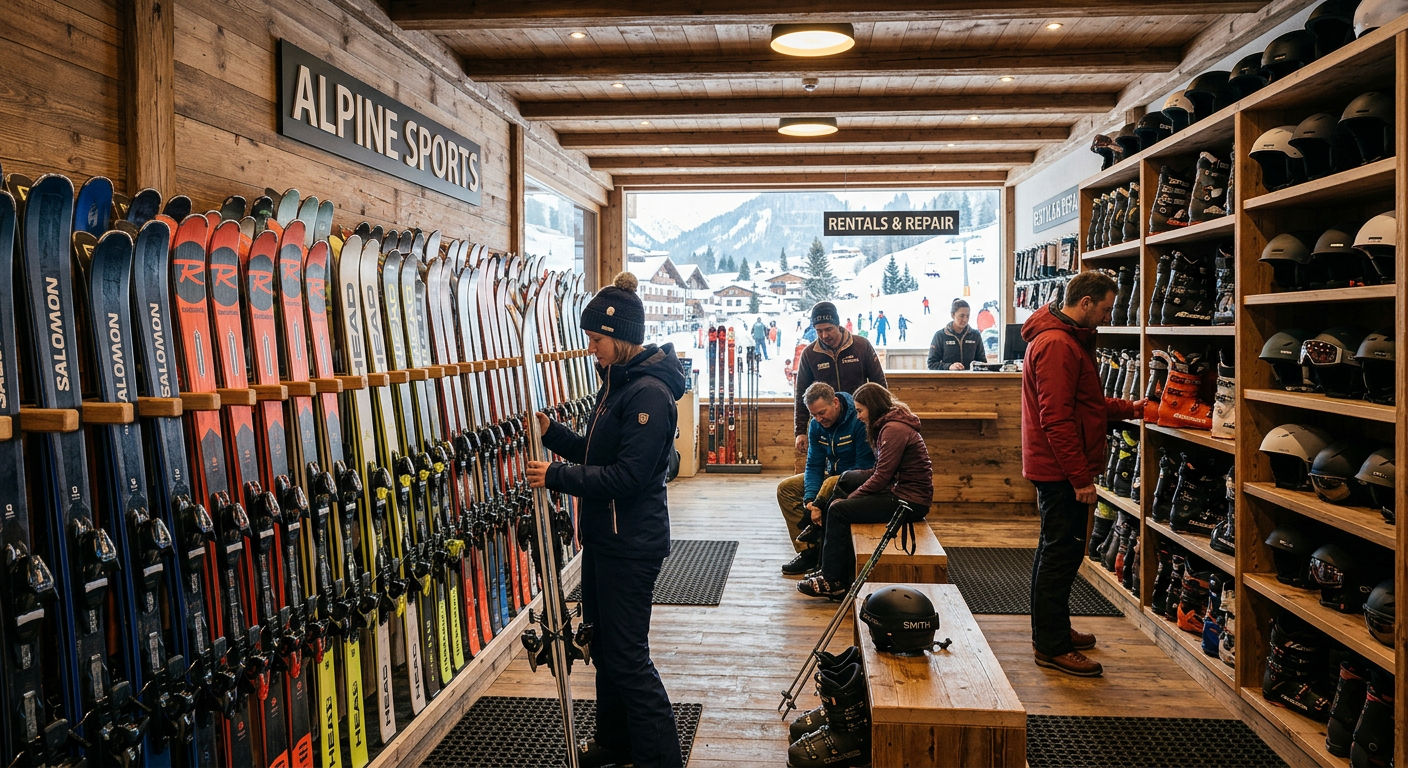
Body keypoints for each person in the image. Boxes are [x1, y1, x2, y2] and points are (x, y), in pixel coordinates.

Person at [526, 272, 687, 768]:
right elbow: (597, 454)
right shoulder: (617, 384)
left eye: (596, 339)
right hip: (603, 539)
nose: (591, 348)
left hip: (631, 545)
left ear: (619, 336)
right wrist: (553, 434)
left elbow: (628, 477)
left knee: (627, 657)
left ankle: (660, 758)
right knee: (603, 649)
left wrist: (556, 476)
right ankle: (615, 744)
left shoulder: (649, 395)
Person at [1021, 271, 1143, 678]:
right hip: (1060, 471)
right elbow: (1056, 419)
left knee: (1057, 551)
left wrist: (1132, 409)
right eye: (1105, 308)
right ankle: (1051, 646)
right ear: (1085, 302)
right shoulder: (1057, 344)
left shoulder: (1066, 339)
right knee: (1060, 555)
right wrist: (1079, 478)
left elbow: (1085, 404)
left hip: (1058, 467)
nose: (1108, 317)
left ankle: (1052, 630)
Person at [798, 382, 933, 599]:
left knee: (839, 510)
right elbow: (879, 471)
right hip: (899, 491)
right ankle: (826, 566)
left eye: (860, 410)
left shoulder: (893, 429)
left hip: (908, 500)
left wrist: (851, 499)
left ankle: (833, 580)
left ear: (873, 406)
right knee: (845, 479)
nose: (858, 416)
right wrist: (848, 484)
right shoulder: (887, 426)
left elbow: (881, 477)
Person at [776, 382, 875, 575]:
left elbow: (863, 467)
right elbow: (814, 465)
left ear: (835, 402)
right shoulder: (816, 425)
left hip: (855, 479)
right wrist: (810, 499)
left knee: (828, 486)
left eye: (822, 413)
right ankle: (809, 552)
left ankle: (826, 552)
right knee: (786, 488)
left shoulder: (858, 421)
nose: (819, 419)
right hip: (830, 476)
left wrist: (822, 499)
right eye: (814, 415)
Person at [793, 301, 886, 455]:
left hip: (860, 422)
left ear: (837, 324)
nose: (824, 335)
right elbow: (801, 394)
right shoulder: (809, 354)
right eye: (819, 331)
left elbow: (880, 386)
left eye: (828, 329)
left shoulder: (862, 346)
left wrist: (882, 421)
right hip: (827, 425)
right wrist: (800, 431)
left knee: (863, 464)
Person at [927, 298, 988, 371]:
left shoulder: (975, 335)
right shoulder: (940, 335)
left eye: (967, 316)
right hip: (948, 378)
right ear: (953, 315)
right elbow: (931, 364)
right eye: (961, 316)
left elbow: (983, 363)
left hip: (970, 378)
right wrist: (949, 366)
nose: (965, 319)